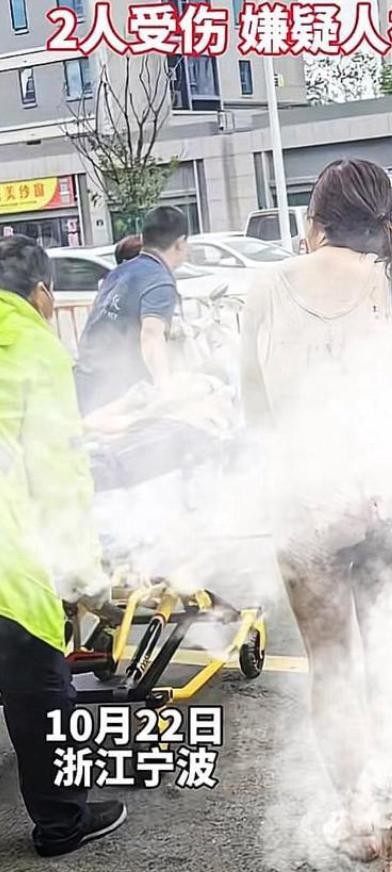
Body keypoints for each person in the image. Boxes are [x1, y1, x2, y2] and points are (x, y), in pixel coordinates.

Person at [241, 160, 392, 872]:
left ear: (315, 219)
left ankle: (362, 825)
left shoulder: (267, 287)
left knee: (331, 674)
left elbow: (256, 414)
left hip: (308, 504)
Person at [0, 235, 126, 857]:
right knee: (40, 696)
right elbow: (58, 481)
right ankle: (61, 823)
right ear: (43, 293)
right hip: (8, 568)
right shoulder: (32, 347)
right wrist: (87, 582)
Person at [74, 206, 188, 414]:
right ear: (180, 243)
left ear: (143, 238)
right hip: (113, 390)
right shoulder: (159, 280)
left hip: (84, 379)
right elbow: (151, 336)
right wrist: (165, 388)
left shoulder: (120, 271)